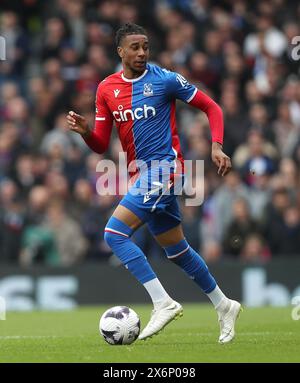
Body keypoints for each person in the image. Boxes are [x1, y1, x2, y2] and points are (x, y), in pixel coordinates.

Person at [66, 23, 241, 343]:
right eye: (135, 47)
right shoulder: (106, 89)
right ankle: (224, 304)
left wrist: (216, 145)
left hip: (166, 171)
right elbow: (101, 144)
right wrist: (87, 132)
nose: (142, 52)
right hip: (141, 175)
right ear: (120, 51)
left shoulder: (165, 80)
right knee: (178, 251)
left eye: (145, 46)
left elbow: (211, 107)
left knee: (114, 234)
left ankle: (163, 302)